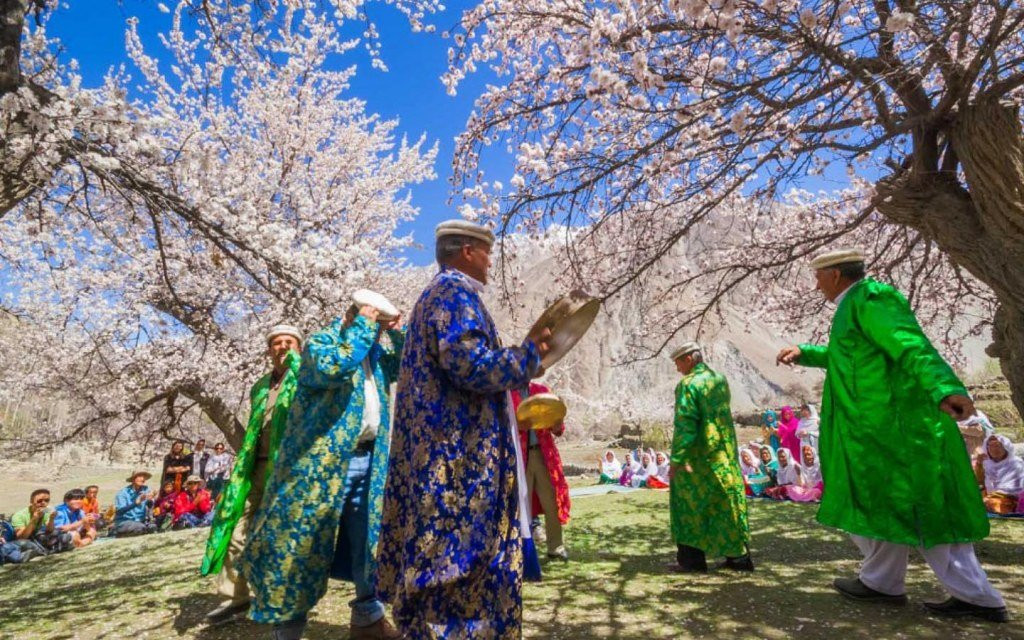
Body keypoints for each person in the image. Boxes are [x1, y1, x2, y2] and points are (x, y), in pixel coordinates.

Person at [777, 247, 1007, 622]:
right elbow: (850, 356)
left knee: (927, 510)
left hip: (899, 434)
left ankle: (979, 597)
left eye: (818, 277)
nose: (815, 285)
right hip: (873, 436)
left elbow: (910, 345)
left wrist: (944, 387)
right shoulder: (853, 308)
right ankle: (881, 583)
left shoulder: (873, 298)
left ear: (835, 275)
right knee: (875, 506)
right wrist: (805, 352)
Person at [375, 219, 551, 639]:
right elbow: (470, 366)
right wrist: (528, 357)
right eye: (486, 252)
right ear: (468, 251)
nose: (491, 261)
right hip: (456, 466)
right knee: (456, 569)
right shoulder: (453, 295)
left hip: (447, 459)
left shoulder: (439, 296)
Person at [241, 292, 406, 640]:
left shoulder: (372, 350)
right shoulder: (320, 344)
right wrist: (364, 325)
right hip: (320, 468)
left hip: (368, 458)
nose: (375, 334)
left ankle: (367, 618)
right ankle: (288, 629)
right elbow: (334, 369)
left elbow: (404, 363)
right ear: (355, 317)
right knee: (302, 544)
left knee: (367, 539)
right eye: (372, 325)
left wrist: (395, 332)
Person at [201, 324, 302, 625]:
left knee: (280, 536)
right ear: (269, 349)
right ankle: (236, 598)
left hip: (287, 470)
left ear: (299, 347)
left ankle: (282, 599)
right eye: (276, 343)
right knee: (236, 531)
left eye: (289, 342)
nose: (282, 347)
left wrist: (297, 366)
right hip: (254, 470)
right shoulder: (259, 386)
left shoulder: (307, 377)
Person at [667, 342, 752, 573]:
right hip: (722, 455)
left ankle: (691, 560)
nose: (677, 368)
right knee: (725, 504)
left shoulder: (688, 384)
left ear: (688, 359)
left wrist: (677, 459)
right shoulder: (719, 380)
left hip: (696, 459)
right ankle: (738, 557)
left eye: (678, 363)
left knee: (690, 507)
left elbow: (686, 425)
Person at [514, 382, 571, 561]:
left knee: (551, 502)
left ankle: (556, 547)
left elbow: (558, 429)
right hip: (519, 457)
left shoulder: (542, 391)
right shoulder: (507, 393)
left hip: (544, 455)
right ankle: (522, 553)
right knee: (522, 505)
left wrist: (557, 424)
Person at [10, 489, 71, 553]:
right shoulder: (19, 515)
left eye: (47, 500)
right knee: (25, 543)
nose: (43, 503)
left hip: (38, 537)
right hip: (26, 539)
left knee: (57, 533)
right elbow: (22, 537)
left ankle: (50, 546)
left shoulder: (46, 510)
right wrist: (33, 519)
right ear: (31, 501)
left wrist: (51, 518)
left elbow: (50, 530)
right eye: (39, 501)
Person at [977, 433, 1024, 514]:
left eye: (997, 446)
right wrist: (979, 464)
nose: (994, 449)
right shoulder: (986, 463)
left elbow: (1011, 488)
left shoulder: (1015, 463)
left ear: (1006, 447)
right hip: (989, 495)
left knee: (988, 503)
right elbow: (979, 481)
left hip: (1009, 498)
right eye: (990, 446)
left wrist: (990, 496)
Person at [112, 471, 158, 537]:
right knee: (140, 528)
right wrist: (135, 503)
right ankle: (120, 533)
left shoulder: (146, 490)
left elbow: (150, 506)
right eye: (139, 476)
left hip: (140, 521)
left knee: (152, 527)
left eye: (143, 477)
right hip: (124, 521)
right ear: (133, 479)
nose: (142, 479)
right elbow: (119, 511)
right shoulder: (123, 493)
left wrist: (151, 500)